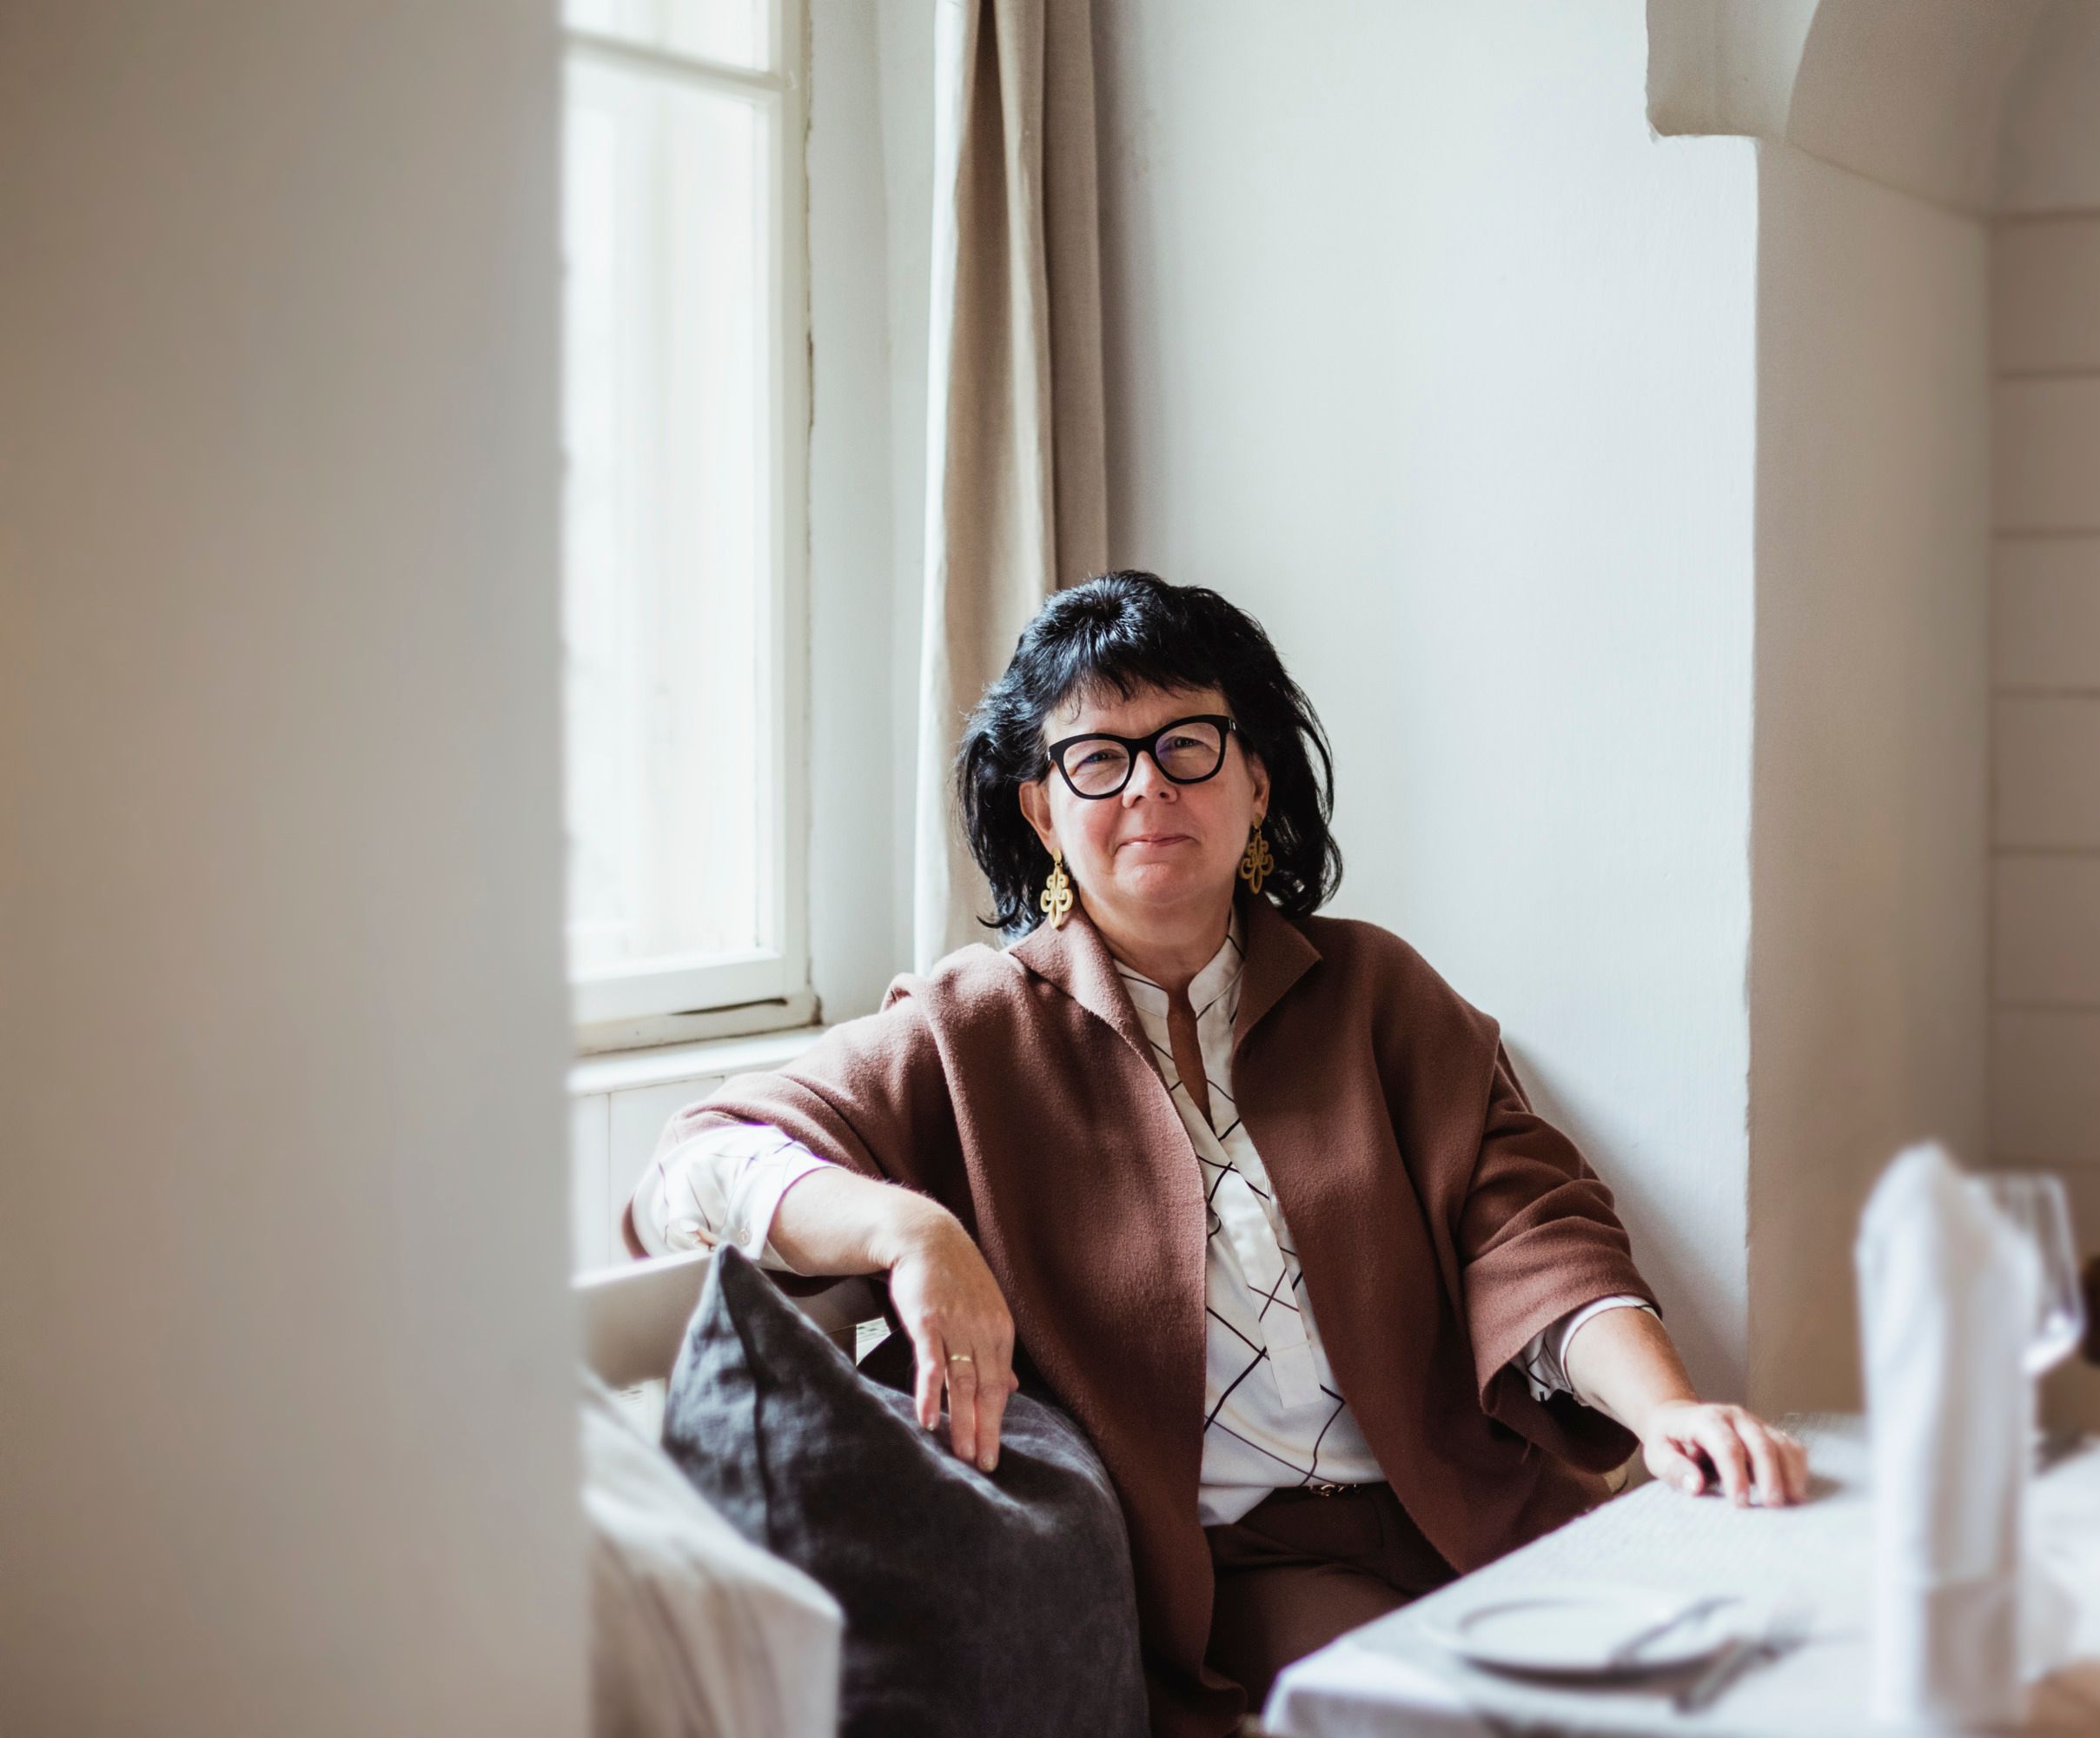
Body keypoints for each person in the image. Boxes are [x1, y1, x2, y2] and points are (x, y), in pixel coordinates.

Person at [624, 571, 1807, 1736]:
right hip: (1231, 1578)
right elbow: (692, 1169)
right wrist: (907, 1228)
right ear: (1042, 809)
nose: (1147, 787)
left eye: (1187, 741)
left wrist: (1664, 1416)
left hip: (1471, 1512)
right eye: (1097, 757)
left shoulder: (1378, 992)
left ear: (1254, 774)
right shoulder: (967, 1025)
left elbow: (1533, 1234)